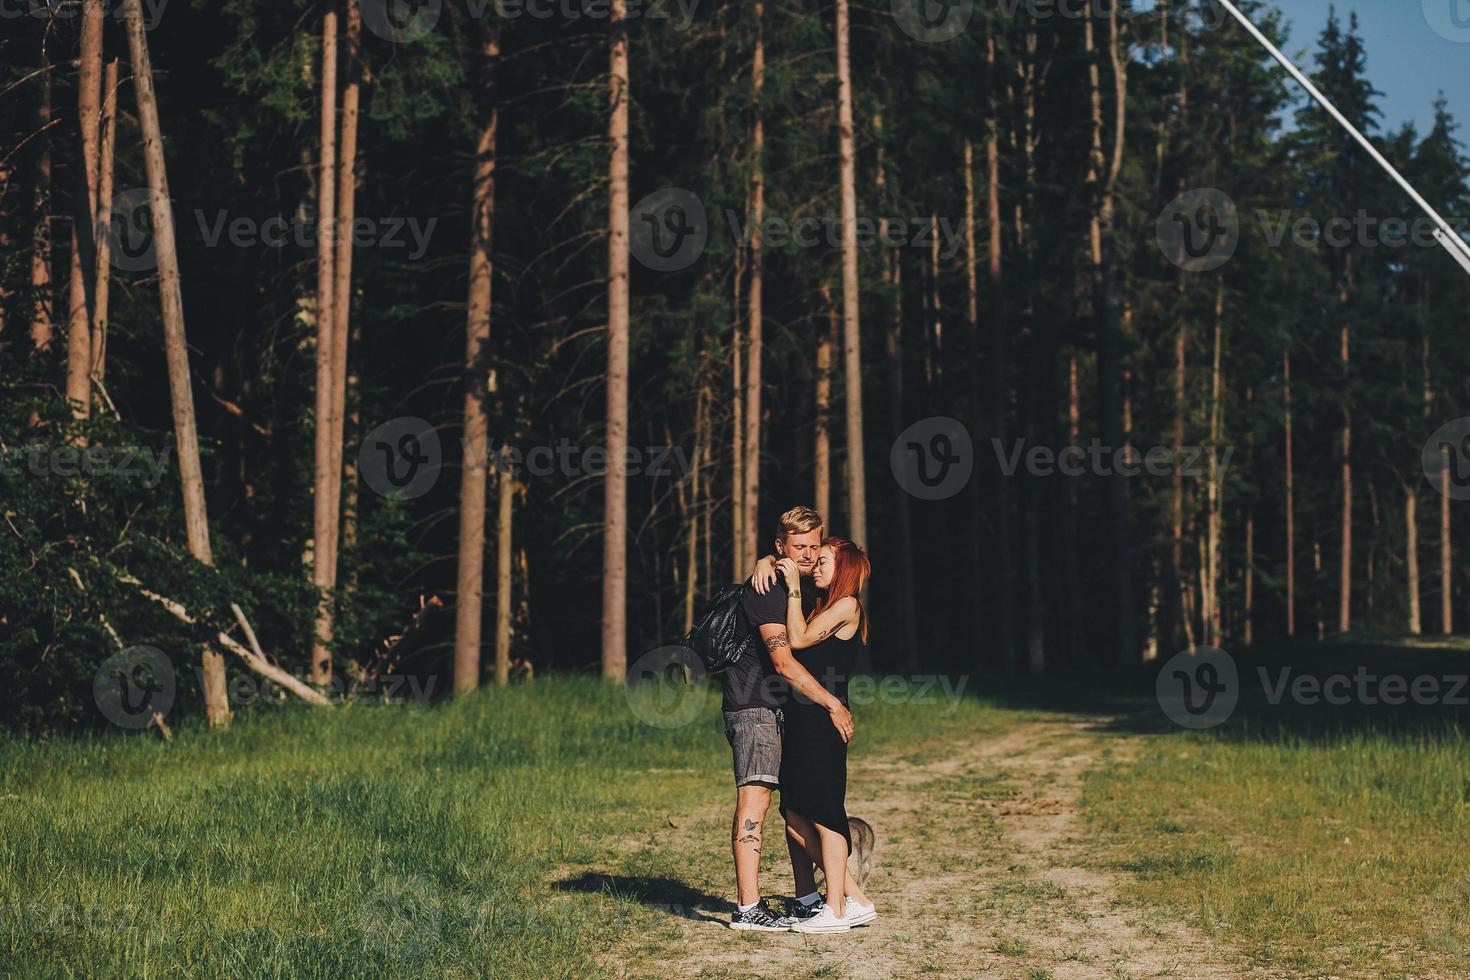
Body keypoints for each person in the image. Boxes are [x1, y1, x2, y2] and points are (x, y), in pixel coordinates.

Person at [722, 506, 855, 931]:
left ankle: (809, 898)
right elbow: (783, 661)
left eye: (814, 545)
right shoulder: (767, 590)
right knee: (755, 800)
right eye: (798, 546)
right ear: (780, 546)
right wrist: (833, 703)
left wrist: (770, 564)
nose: (809, 553)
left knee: (793, 809)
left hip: (779, 711)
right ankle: (748, 908)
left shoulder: (796, 583)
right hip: (754, 706)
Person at [771, 537, 876, 933]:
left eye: (824, 560)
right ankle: (857, 899)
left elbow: (796, 640)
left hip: (823, 724)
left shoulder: (848, 606)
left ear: (844, 567)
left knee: (827, 814)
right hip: (801, 720)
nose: (815, 565)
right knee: (796, 814)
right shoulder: (824, 607)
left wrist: (794, 587)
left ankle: (834, 908)